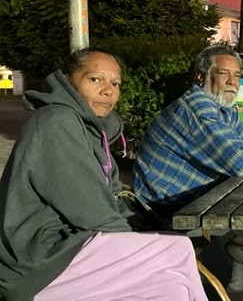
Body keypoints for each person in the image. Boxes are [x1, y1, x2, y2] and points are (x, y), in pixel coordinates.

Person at [0, 48, 208, 301]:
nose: (108, 90)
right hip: (40, 261)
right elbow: (90, 208)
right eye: (95, 79)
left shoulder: (94, 132)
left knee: (171, 285)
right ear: (68, 80)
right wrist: (137, 242)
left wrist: (149, 227)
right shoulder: (55, 122)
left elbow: (112, 198)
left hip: (75, 244)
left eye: (115, 83)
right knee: (176, 250)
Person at [132, 45, 243, 300]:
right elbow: (238, 162)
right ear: (201, 76)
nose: (232, 82)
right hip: (166, 211)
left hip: (199, 199)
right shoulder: (198, 108)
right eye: (223, 74)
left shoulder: (222, 109)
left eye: (237, 76)